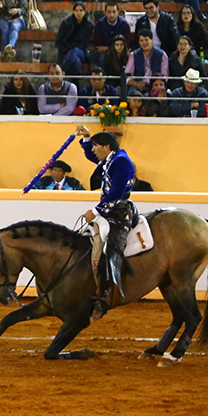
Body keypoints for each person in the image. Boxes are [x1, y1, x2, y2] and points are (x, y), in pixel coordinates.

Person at [75, 124, 136, 320]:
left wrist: (95, 211)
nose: (93, 149)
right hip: (110, 210)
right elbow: (93, 157)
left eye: (95, 145)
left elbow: (116, 194)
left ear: (107, 146)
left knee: (112, 250)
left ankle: (107, 295)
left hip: (118, 212)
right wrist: (86, 139)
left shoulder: (121, 162)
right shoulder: (113, 158)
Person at [56, 3, 93, 79]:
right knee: (76, 62)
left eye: (81, 10)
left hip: (81, 52)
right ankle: (76, 85)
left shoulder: (88, 25)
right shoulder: (66, 23)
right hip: (65, 52)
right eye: (76, 10)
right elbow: (58, 42)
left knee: (75, 51)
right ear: (73, 11)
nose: (78, 13)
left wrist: (72, 50)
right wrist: (68, 49)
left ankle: (62, 71)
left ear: (84, 12)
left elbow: (84, 44)